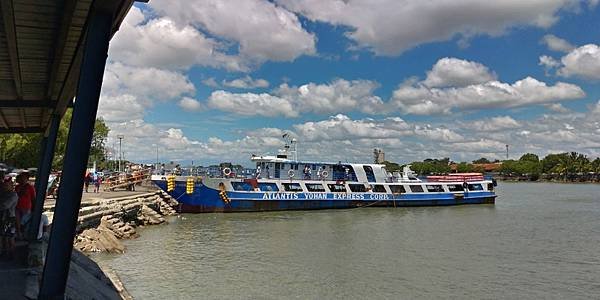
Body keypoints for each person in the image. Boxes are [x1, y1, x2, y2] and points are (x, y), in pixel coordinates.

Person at [0, 179, 18, 259]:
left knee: (9, 237)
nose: (4, 187)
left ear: (11, 186)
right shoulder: (4, 194)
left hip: (9, 218)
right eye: (4, 185)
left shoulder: (13, 195)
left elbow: (5, 205)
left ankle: (10, 254)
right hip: (3, 217)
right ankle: (5, 253)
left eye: (6, 186)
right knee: (3, 236)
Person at [15, 172, 35, 239]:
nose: (22, 179)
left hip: (26, 207)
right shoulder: (17, 187)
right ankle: (19, 235)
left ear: (27, 179)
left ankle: (24, 235)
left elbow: (33, 198)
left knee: (24, 223)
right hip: (17, 207)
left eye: (24, 178)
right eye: (21, 178)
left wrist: (33, 207)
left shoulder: (30, 187)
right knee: (17, 222)